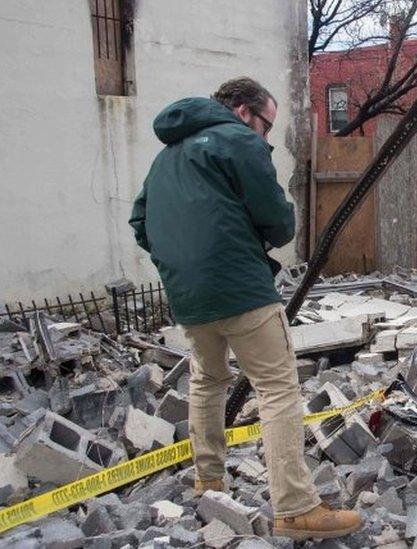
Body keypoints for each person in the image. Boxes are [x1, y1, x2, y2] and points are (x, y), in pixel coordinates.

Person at [129, 77, 361, 541]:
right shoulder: (238, 141)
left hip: (189, 298)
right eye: (265, 124)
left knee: (207, 380)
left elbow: (141, 223)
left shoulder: (165, 159)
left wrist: (180, 266)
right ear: (241, 111)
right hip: (241, 288)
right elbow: (276, 220)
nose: (266, 136)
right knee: (277, 387)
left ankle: (208, 479)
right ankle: (295, 507)